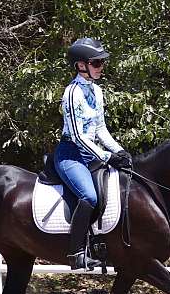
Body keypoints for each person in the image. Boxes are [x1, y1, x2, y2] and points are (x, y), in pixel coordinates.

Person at [54, 37, 132, 270]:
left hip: (93, 153)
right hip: (71, 154)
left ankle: (105, 245)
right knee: (89, 196)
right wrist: (107, 157)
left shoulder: (96, 91)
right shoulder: (72, 92)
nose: (101, 67)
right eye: (96, 63)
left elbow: (100, 129)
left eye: (101, 63)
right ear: (81, 65)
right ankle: (76, 253)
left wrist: (119, 151)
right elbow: (78, 136)